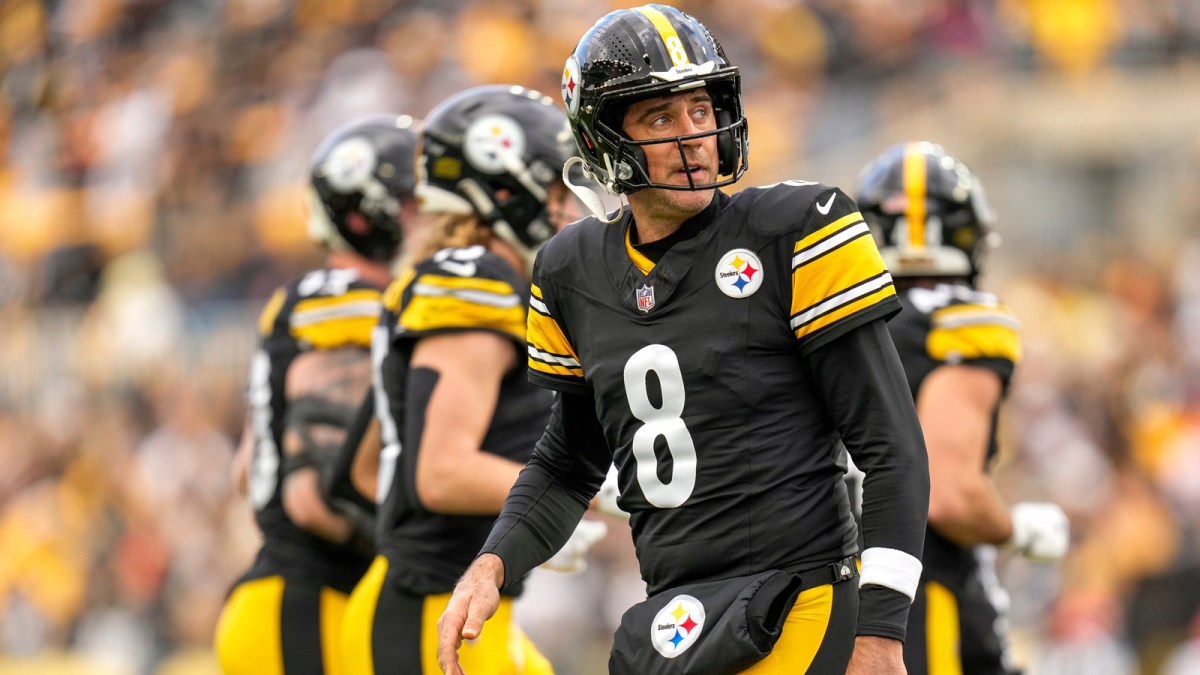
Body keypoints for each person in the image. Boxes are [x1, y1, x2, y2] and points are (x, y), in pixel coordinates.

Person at [438, 5, 930, 675]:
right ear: (604, 138)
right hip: (675, 618)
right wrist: (492, 563)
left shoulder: (795, 229)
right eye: (661, 117)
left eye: (700, 109)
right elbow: (568, 460)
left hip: (802, 599)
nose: (693, 135)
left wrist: (880, 632)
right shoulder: (569, 269)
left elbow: (891, 446)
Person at [338, 84, 599, 675]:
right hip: (433, 607)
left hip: (436, 603)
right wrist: (570, 496)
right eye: (558, 189)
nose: (569, 207)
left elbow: (359, 469)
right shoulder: (473, 283)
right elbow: (441, 471)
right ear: (505, 188)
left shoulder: (446, 280)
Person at [215, 115, 421, 674]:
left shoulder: (297, 303)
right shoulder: (354, 304)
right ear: (371, 213)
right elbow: (315, 495)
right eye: (418, 204)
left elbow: (246, 469)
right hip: (308, 606)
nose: (436, 220)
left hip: (292, 601)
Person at [854, 141, 1070, 675]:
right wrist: (1012, 529)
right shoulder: (965, 320)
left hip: (827, 590)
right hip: (918, 590)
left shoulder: (837, 321)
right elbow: (948, 495)